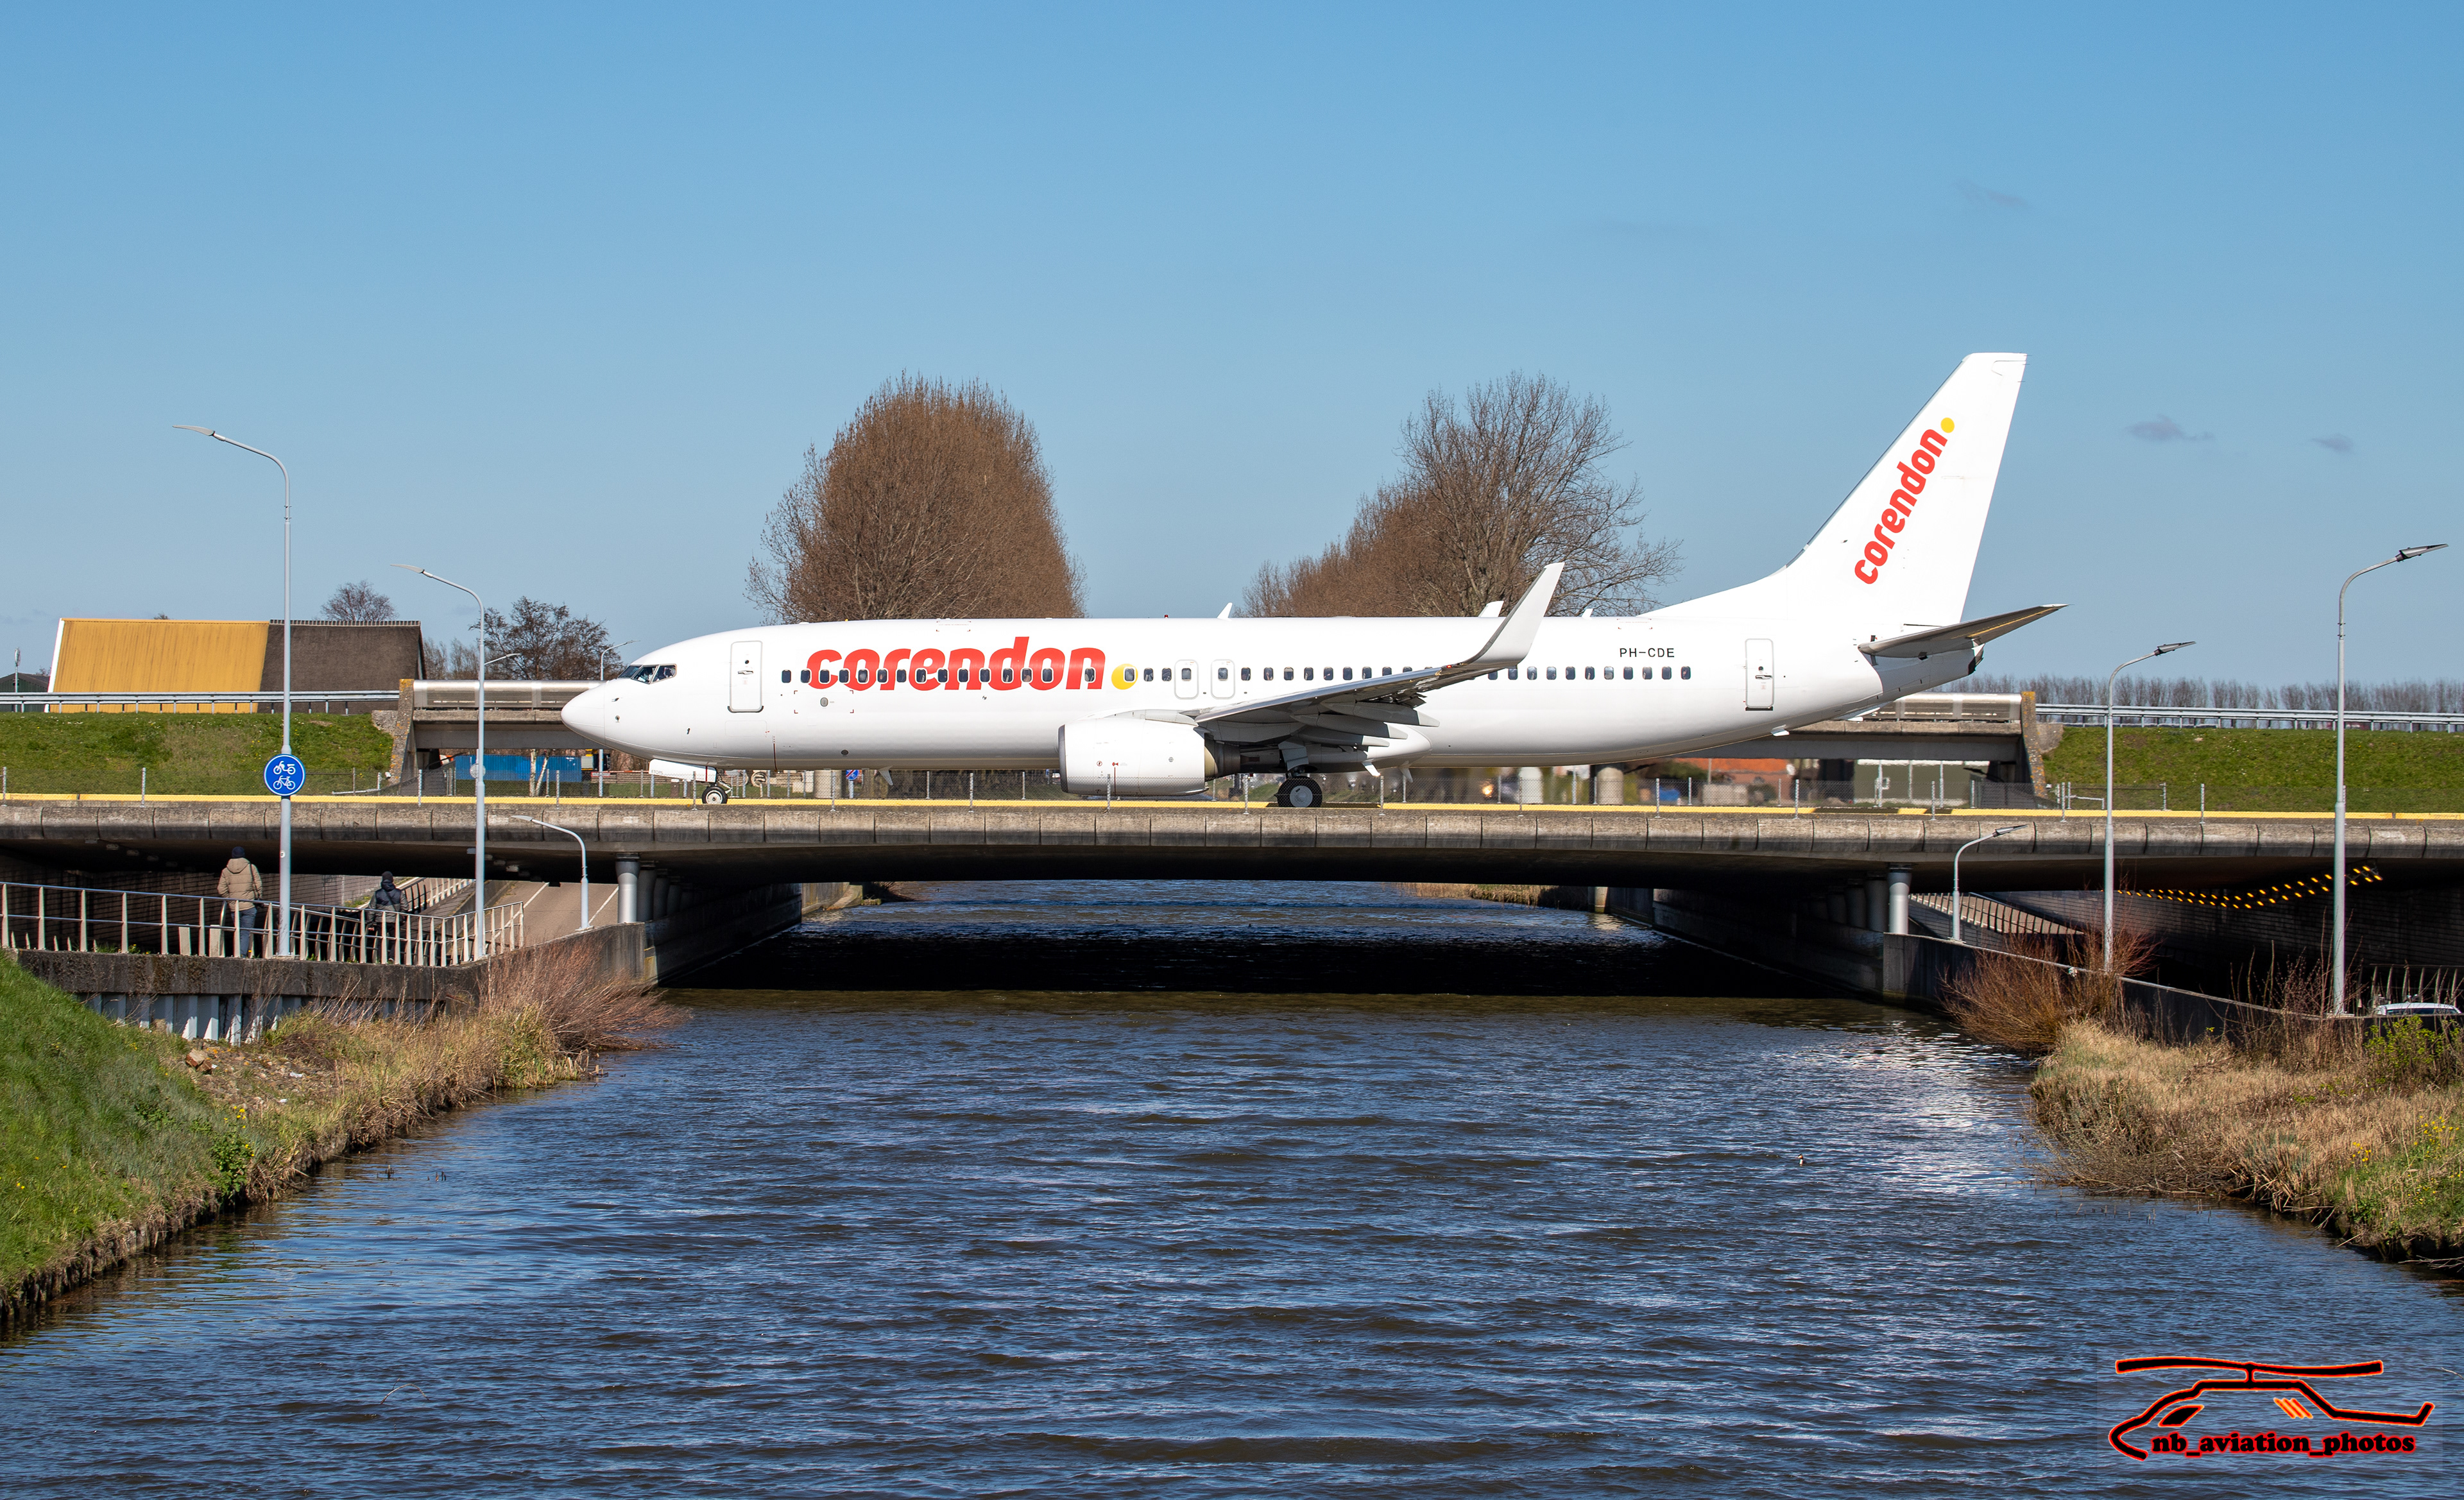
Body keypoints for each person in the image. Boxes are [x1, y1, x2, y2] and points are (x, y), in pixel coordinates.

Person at [217, 846, 262, 957]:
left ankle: (236, 953)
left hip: (234, 907)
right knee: (245, 932)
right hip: (249, 906)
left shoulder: (226, 871)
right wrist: (258, 898)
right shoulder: (251, 868)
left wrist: (231, 900)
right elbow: (258, 885)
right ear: (243, 855)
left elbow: (221, 889)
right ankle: (242, 955)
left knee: (237, 931)